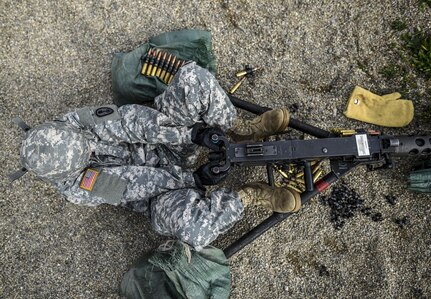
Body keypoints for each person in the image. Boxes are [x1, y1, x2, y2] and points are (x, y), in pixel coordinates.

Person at [14, 62, 301, 251]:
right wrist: (194, 179)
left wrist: (192, 136)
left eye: (84, 143)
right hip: (156, 196)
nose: (89, 146)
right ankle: (250, 196)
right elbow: (134, 183)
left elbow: (133, 122)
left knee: (194, 80)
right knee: (193, 230)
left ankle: (240, 130)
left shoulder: (75, 123)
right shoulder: (78, 188)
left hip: (163, 143)